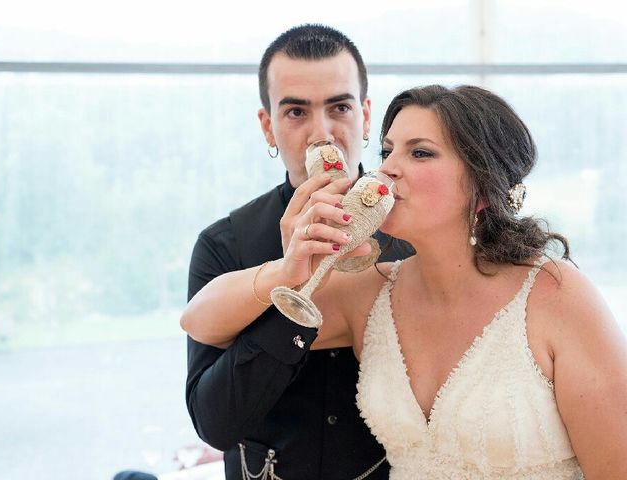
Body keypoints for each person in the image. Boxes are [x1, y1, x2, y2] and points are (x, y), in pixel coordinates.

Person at [182, 85, 627, 479]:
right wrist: (288, 270)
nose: (386, 170)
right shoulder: (371, 291)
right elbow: (199, 322)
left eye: (419, 152)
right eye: (387, 151)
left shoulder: (556, 295)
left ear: (484, 186)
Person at [185, 24, 410, 480]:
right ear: (268, 127)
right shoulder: (223, 244)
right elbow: (215, 423)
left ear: (365, 117)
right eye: (295, 113)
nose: (321, 134)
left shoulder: (413, 233)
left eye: (340, 107)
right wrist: (291, 277)